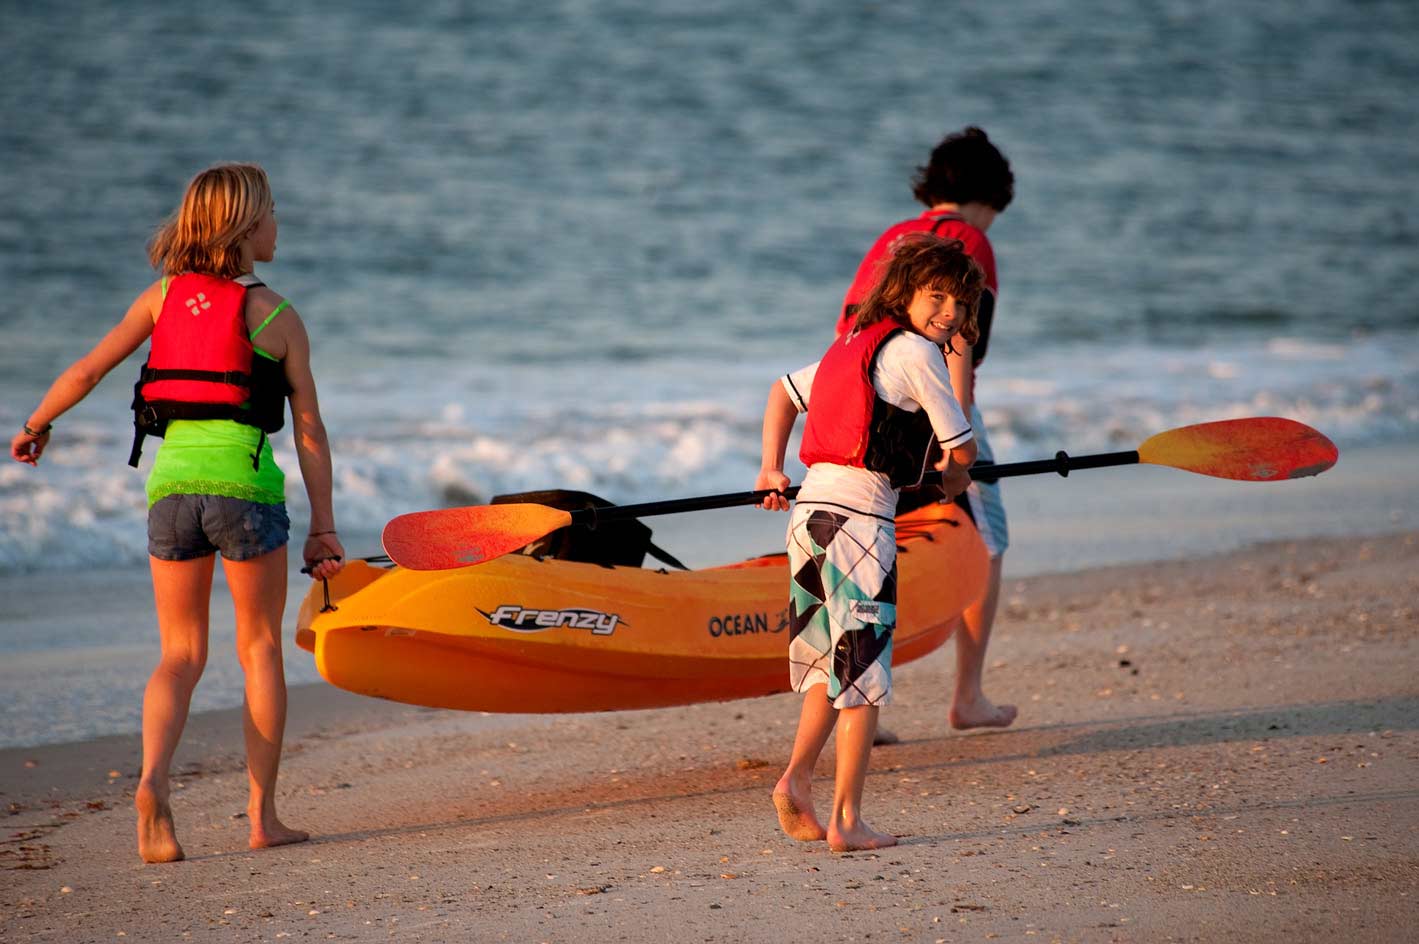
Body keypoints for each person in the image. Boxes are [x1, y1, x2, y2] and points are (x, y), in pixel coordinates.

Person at [9, 163, 344, 864]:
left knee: (179, 654)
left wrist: (37, 421)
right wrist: (323, 526)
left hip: (170, 491)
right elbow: (309, 430)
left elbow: (88, 369)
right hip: (244, 494)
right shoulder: (277, 316)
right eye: (273, 214)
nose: (279, 226)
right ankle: (262, 818)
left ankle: (153, 781)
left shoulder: (161, 297)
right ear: (248, 227)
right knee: (257, 649)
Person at [755, 235, 982, 851]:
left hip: (808, 519)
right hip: (860, 525)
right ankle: (848, 821)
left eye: (960, 304)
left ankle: (798, 779)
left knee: (834, 667)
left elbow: (782, 391)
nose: (949, 314)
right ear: (903, 291)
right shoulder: (917, 354)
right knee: (863, 677)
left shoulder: (851, 345)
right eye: (936, 296)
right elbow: (960, 444)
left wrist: (770, 469)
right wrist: (958, 472)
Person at [838, 127, 1017, 734]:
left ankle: (863, 708)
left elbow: (852, 333)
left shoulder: (893, 238)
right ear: (993, 196)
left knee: (876, 549)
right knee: (985, 543)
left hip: (860, 407)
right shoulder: (969, 241)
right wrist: (954, 434)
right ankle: (968, 697)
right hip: (930, 408)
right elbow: (961, 343)